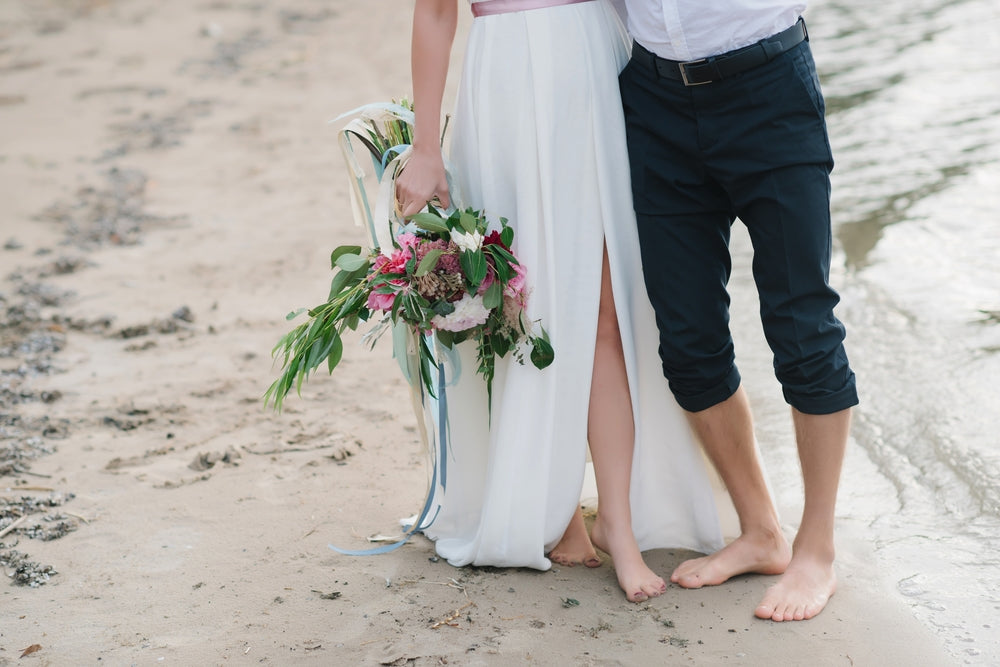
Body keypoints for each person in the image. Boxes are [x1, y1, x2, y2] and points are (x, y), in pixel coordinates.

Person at [394, 0, 736, 602]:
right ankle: (560, 516)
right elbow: (435, 11)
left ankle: (619, 530)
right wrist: (426, 147)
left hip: (593, 67)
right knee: (526, 307)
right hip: (506, 76)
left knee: (602, 308)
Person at [616, 2, 859, 620]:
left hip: (768, 85)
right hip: (653, 98)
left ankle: (817, 548)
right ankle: (760, 530)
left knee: (804, 326)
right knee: (687, 339)